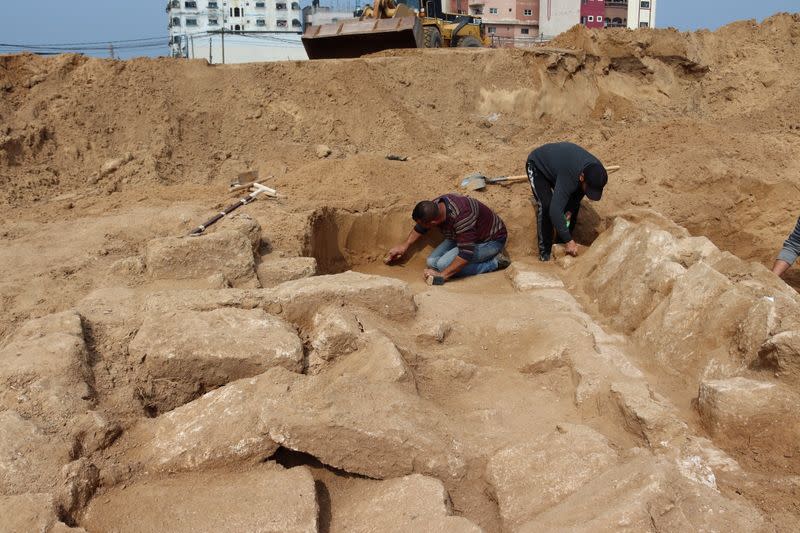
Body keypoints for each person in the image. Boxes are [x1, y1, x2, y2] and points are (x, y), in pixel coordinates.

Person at [386, 193, 509, 285]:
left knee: (443, 265)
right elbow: (421, 227)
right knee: (431, 262)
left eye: (425, 225)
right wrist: (404, 245)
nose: (422, 227)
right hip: (460, 236)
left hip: (491, 241)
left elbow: (466, 254)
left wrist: (442, 276)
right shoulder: (435, 205)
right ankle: (443, 269)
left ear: (433, 222)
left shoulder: (462, 217)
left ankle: (495, 263)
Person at [526, 142, 609, 261]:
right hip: (538, 166)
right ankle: (545, 254)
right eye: (589, 188)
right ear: (581, 177)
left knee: (571, 210)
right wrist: (569, 241)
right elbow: (555, 210)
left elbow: (578, 195)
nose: (590, 193)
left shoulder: (597, 172)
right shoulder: (571, 175)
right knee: (547, 205)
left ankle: (560, 243)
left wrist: (569, 211)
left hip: (560, 168)